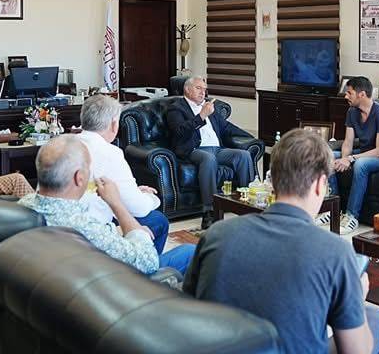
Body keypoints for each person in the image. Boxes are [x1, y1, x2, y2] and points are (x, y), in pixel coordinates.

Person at [184, 129, 379, 354]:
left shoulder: (216, 234)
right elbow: (356, 351)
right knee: (376, 319)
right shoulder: (336, 252)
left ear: (272, 181)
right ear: (321, 185)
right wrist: (357, 301)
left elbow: (186, 310)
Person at [19, 135, 195, 275]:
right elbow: (147, 262)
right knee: (190, 252)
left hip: (61, 281)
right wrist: (116, 203)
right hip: (115, 286)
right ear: (80, 178)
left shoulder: (22, 205)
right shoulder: (83, 227)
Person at [77, 94, 171, 255]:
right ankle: (146, 267)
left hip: (66, 231)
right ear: (114, 124)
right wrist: (152, 198)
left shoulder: (65, 143)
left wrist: (133, 191)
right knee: (158, 219)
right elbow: (139, 209)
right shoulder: (110, 153)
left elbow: (93, 189)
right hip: (91, 233)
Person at [166, 76, 254, 229]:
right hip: (194, 150)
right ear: (187, 89)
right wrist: (201, 116)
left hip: (217, 150)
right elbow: (180, 132)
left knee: (243, 156)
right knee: (208, 158)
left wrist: (251, 137)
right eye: (198, 88)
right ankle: (210, 211)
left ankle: (248, 205)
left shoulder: (209, 107)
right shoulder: (176, 108)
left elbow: (226, 127)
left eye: (205, 89)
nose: (203, 93)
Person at [330, 76, 379, 234]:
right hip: (363, 153)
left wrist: (351, 159)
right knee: (328, 156)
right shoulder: (352, 112)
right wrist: (344, 159)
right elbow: (348, 142)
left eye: (349, 93)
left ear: (361, 94)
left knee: (361, 164)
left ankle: (352, 216)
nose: (346, 96)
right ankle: (332, 209)